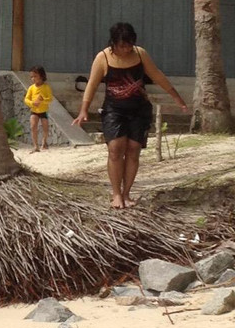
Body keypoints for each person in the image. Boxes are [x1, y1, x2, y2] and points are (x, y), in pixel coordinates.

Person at [72, 22, 188, 208]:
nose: (126, 49)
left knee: (133, 150)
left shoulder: (140, 54)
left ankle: (127, 194)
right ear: (113, 43)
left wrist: (177, 98)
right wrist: (83, 110)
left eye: (129, 45)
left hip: (139, 110)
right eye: (121, 45)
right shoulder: (103, 58)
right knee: (116, 149)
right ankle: (116, 194)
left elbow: (157, 75)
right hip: (114, 110)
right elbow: (92, 85)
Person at [24, 65, 53, 152]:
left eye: (35, 76)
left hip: (43, 111)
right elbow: (26, 99)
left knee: (45, 127)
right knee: (33, 126)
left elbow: (50, 99)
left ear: (41, 76)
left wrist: (42, 101)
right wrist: (32, 103)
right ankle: (35, 145)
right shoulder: (31, 88)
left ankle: (44, 142)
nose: (33, 79)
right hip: (34, 111)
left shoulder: (46, 87)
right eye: (31, 77)